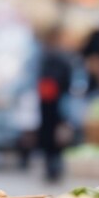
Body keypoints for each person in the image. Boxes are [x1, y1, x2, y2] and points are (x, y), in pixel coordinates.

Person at [38, 27, 73, 182]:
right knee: (57, 133)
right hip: (58, 101)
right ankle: (55, 165)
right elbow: (67, 79)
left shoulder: (44, 57)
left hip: (46, 102)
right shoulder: (62, 58)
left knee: (48, 133)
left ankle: (51, 165)